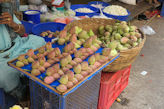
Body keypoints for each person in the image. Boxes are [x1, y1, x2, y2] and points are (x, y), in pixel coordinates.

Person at [0, 0, 46, 99]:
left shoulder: (4, 10)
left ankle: (29, 79)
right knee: (3, 75)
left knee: (39, 41)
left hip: (17, 45)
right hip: (1, 58)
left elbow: (22, 31)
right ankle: (23, 95)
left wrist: (13, 24)